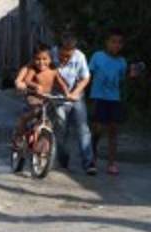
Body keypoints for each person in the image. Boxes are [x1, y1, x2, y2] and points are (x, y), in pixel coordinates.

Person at [88, 28, 139, 176]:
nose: (116, 45)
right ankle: (91, 159)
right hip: (98, 98)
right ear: (107, 42)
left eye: (119, 43)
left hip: (114, 99)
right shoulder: (97, 56)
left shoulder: (122, 62)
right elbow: (87, 75)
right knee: (97, 130)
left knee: (113, 130)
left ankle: (111, 163)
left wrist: (132, 75)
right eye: (113, 42)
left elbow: (123, 79)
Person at [51, 33, 96, 175]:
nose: (65, 59)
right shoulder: (51, 54)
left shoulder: (80, 56)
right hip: (57, 97)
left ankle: (89, 163)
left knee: (83, 129)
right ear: (58, 49)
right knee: (61, 129)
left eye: (68, 56)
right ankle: (63, 162)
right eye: (62, 56)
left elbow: (85, 78)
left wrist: (75, 93)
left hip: (76, 96)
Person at [13, 44, 66, 141]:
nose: (41, 62)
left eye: (44, 59)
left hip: (47, 97)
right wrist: (35, 86)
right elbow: (26, 80)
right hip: (34, 97)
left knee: (52, 116)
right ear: (33, 59)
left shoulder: (53, 69)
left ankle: (45, 143)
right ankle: (19, 134)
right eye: (38, 59)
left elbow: (61, 82)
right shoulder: (32, 69)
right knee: (35, 111)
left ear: (50, 59)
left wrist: (68, 93)